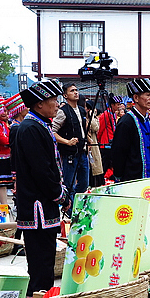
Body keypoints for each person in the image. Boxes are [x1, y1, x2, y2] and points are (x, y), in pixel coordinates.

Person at [10, 80, 67, 298]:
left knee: (45, 253)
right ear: (40, 103)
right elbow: (41, 169)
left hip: (43, 201)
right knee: (40, 255)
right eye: (53, 101)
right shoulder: (31, 128)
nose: (56, 105)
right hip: (37, 203)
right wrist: (59, 193)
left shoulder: (40, 124)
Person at [110, 78, 150, 184]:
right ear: (136, 97)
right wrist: (119, 178)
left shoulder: (148, 121)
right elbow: (118, 153)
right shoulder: (126, 122)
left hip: (149, 178)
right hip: (132, 179)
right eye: (147, 95)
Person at [52, 83, 88, 217]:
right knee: (69, 184)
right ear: (65, 95)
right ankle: (70, 212)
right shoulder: (63, 111)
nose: (76, 93)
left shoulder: (82, 110)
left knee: (84, 183)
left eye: (76, 90)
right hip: (69, 154)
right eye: (72, 91)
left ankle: (77, 206)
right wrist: (67, 142)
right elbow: (52, 131)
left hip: (83, 152)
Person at [85, 99, 105, 188]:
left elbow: (96, 127)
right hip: (88, 145)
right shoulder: (83, 117)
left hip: (94, 144)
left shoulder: (93, 117)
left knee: (96, 166)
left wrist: (92, 115)